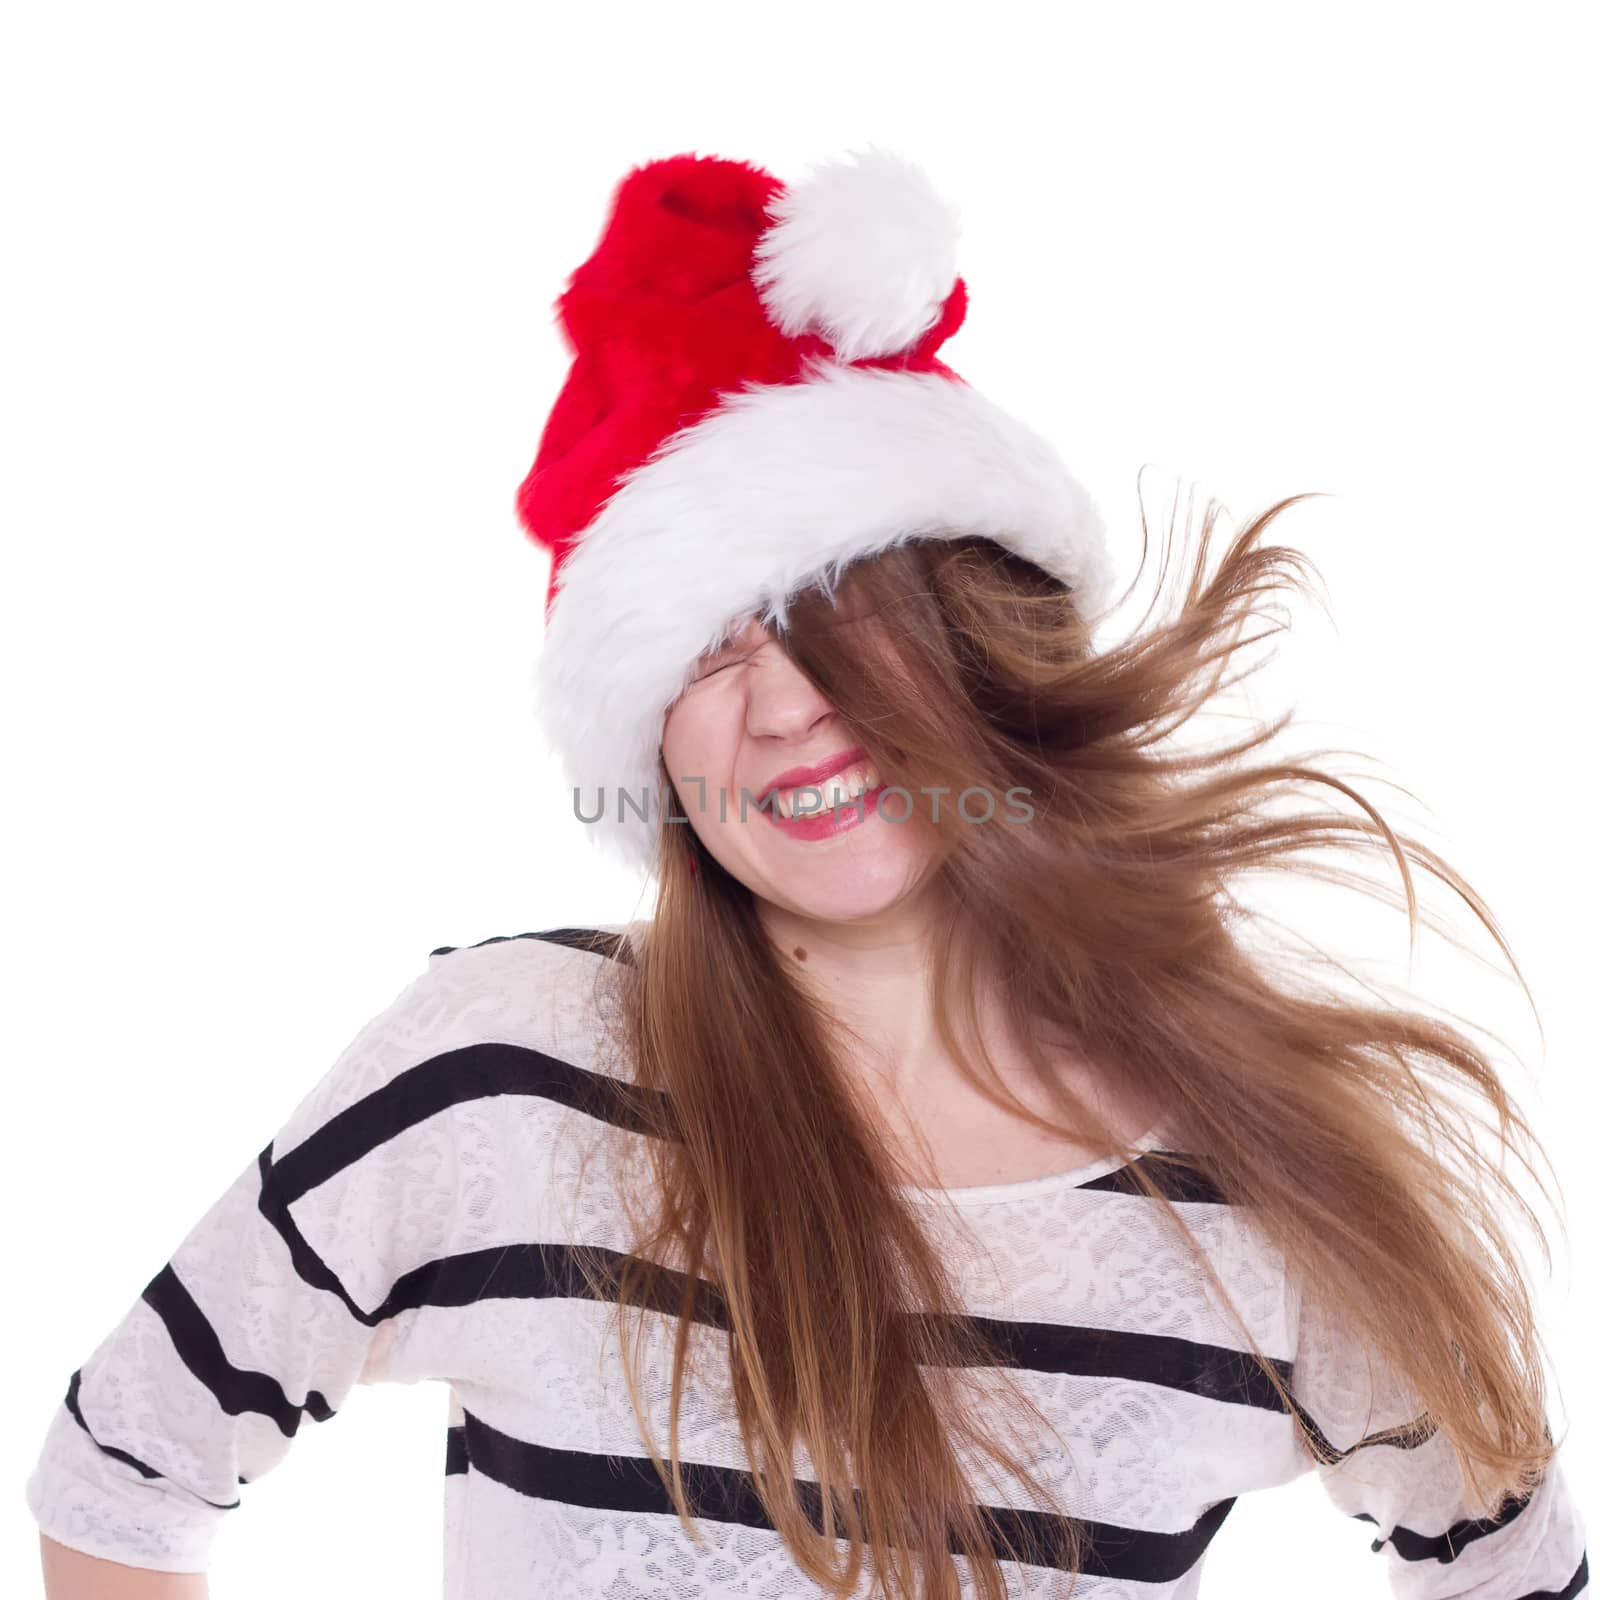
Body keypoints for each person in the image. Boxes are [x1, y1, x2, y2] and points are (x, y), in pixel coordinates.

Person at [27, 146, 1588, 1600]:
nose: (779, 706)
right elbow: (121, 1473)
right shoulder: (499, 1074)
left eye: (835, 611)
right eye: (702, 652)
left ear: (985, 640)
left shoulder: (1259, 1186)